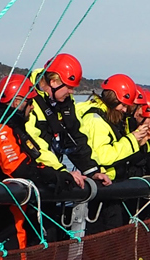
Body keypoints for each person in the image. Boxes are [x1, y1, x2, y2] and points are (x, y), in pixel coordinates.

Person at [0, 74, 85, 260]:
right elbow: (19, 168)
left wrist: (58, 175)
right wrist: (56, 177)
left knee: (12, 259)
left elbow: (30, 160)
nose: (31, 108)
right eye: (29, 102)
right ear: (17, 102)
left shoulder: (10, 127)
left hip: (9, 204)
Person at [75, 74, 150, 233]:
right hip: (101, 190)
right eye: (123, 106)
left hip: (113, 187)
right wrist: (132, 140)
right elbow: (102, 155)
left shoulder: (110, 117)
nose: (125, 111)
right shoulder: (97, 119)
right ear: (113, 101)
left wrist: (141, 143)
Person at [23, 54, 104, 187]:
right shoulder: (27, 99)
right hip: (31, 175)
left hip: (53, 175)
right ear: (54, 82)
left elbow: (76, 136)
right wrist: (61, 171)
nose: (72, 92)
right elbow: (33, 145)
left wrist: (93, 171)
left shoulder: (65, 101)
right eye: (69, 87)